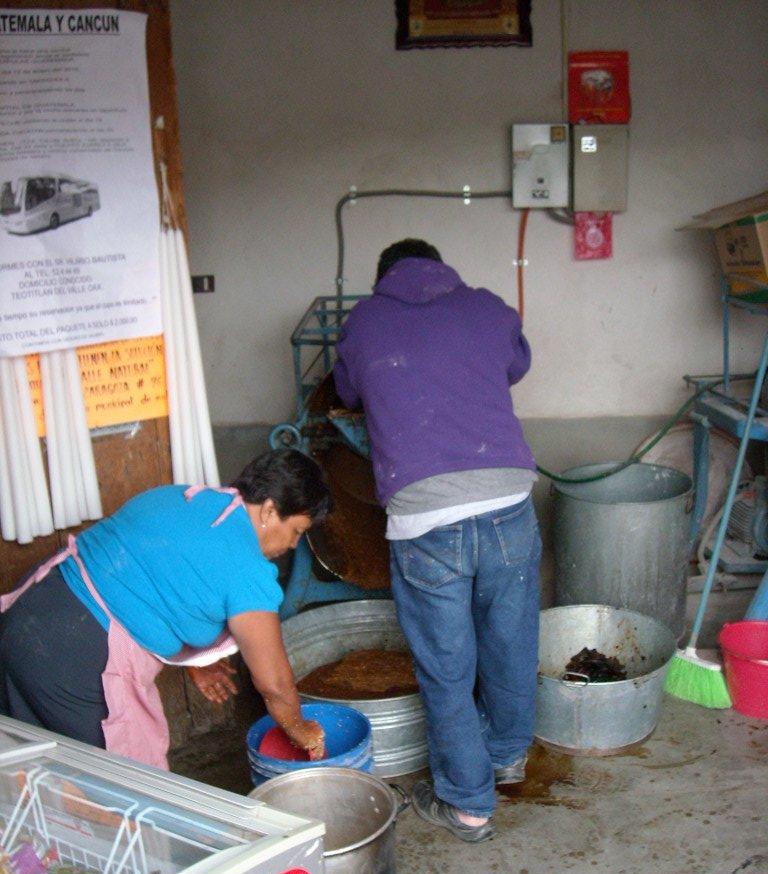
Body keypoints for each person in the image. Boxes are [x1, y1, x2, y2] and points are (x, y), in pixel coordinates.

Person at [333, 238, 540, 843]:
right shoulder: (487, 307)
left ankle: (470, 805)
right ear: (442, 267)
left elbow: (347, 394)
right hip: (508, 500)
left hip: (425, 517)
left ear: (383, 278)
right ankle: (506, 757)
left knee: (448, 669)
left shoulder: (365, 321)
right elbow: (515, 365)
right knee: (511, 641)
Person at [0, 449, 331, 768]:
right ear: (270, 511)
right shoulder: (249, 571)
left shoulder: (183, 496)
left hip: (27, 615)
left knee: (30, 766)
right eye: (297, 531)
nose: (292, 544)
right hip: (72, 659)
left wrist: (192, 662)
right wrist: (300, 730)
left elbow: (155, 582)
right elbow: (273, 682)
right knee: (127, 792)